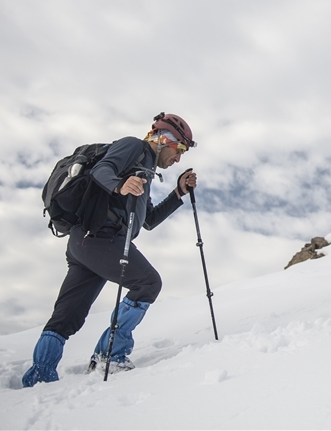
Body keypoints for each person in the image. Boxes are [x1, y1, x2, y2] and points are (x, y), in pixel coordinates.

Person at [22, 113, 199, 386]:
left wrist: (178, 193)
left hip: (87, 242)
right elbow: (101, 170)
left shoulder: (145, 170)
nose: (178, 159)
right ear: (165, 140)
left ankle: (40, 375)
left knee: (68, 314)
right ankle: (110, 356)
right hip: (101, 238)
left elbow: (148, 220)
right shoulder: (134, 146)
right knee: (148, 283)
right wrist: (119, 185)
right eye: (180, 149)